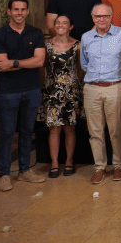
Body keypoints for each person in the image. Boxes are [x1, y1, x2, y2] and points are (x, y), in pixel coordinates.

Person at [0, 0, 47, 191]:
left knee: (27, 131)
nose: (19, 13)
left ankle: (24, 170)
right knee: (7, 133)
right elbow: (2, 65)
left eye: (23, 9)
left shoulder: (35, 33)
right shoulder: (0, 35)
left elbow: (39, 61)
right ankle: (4, 174)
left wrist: (14, 63)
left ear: (27, 12)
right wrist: (26, 62)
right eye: (15, 9)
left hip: (32, 89)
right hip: (7, 91)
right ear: (8, 11)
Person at [80, 3, 121, 184]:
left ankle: (118, 165)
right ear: (92, 18)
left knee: (116, 131)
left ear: (111, 17)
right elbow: (84, 63)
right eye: (97, 16)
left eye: (105, 16)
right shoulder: (86, 37)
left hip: (115, 88)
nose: (101, 19)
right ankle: (99, 167)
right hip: (92, 89)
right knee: (95, 132)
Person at [38, 14, 82, 179]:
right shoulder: (46, 44)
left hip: (71, 91)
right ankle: (55, 163)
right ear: (54, 26)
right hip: (52, 91)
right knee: (54, 128)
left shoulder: (78, 45)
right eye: (58, 22)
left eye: (65, 23)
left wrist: (74, 84)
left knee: (70, 128)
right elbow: (43, 67)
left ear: (71, 26)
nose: (61, 25)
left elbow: (81, 68)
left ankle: (69, 161)